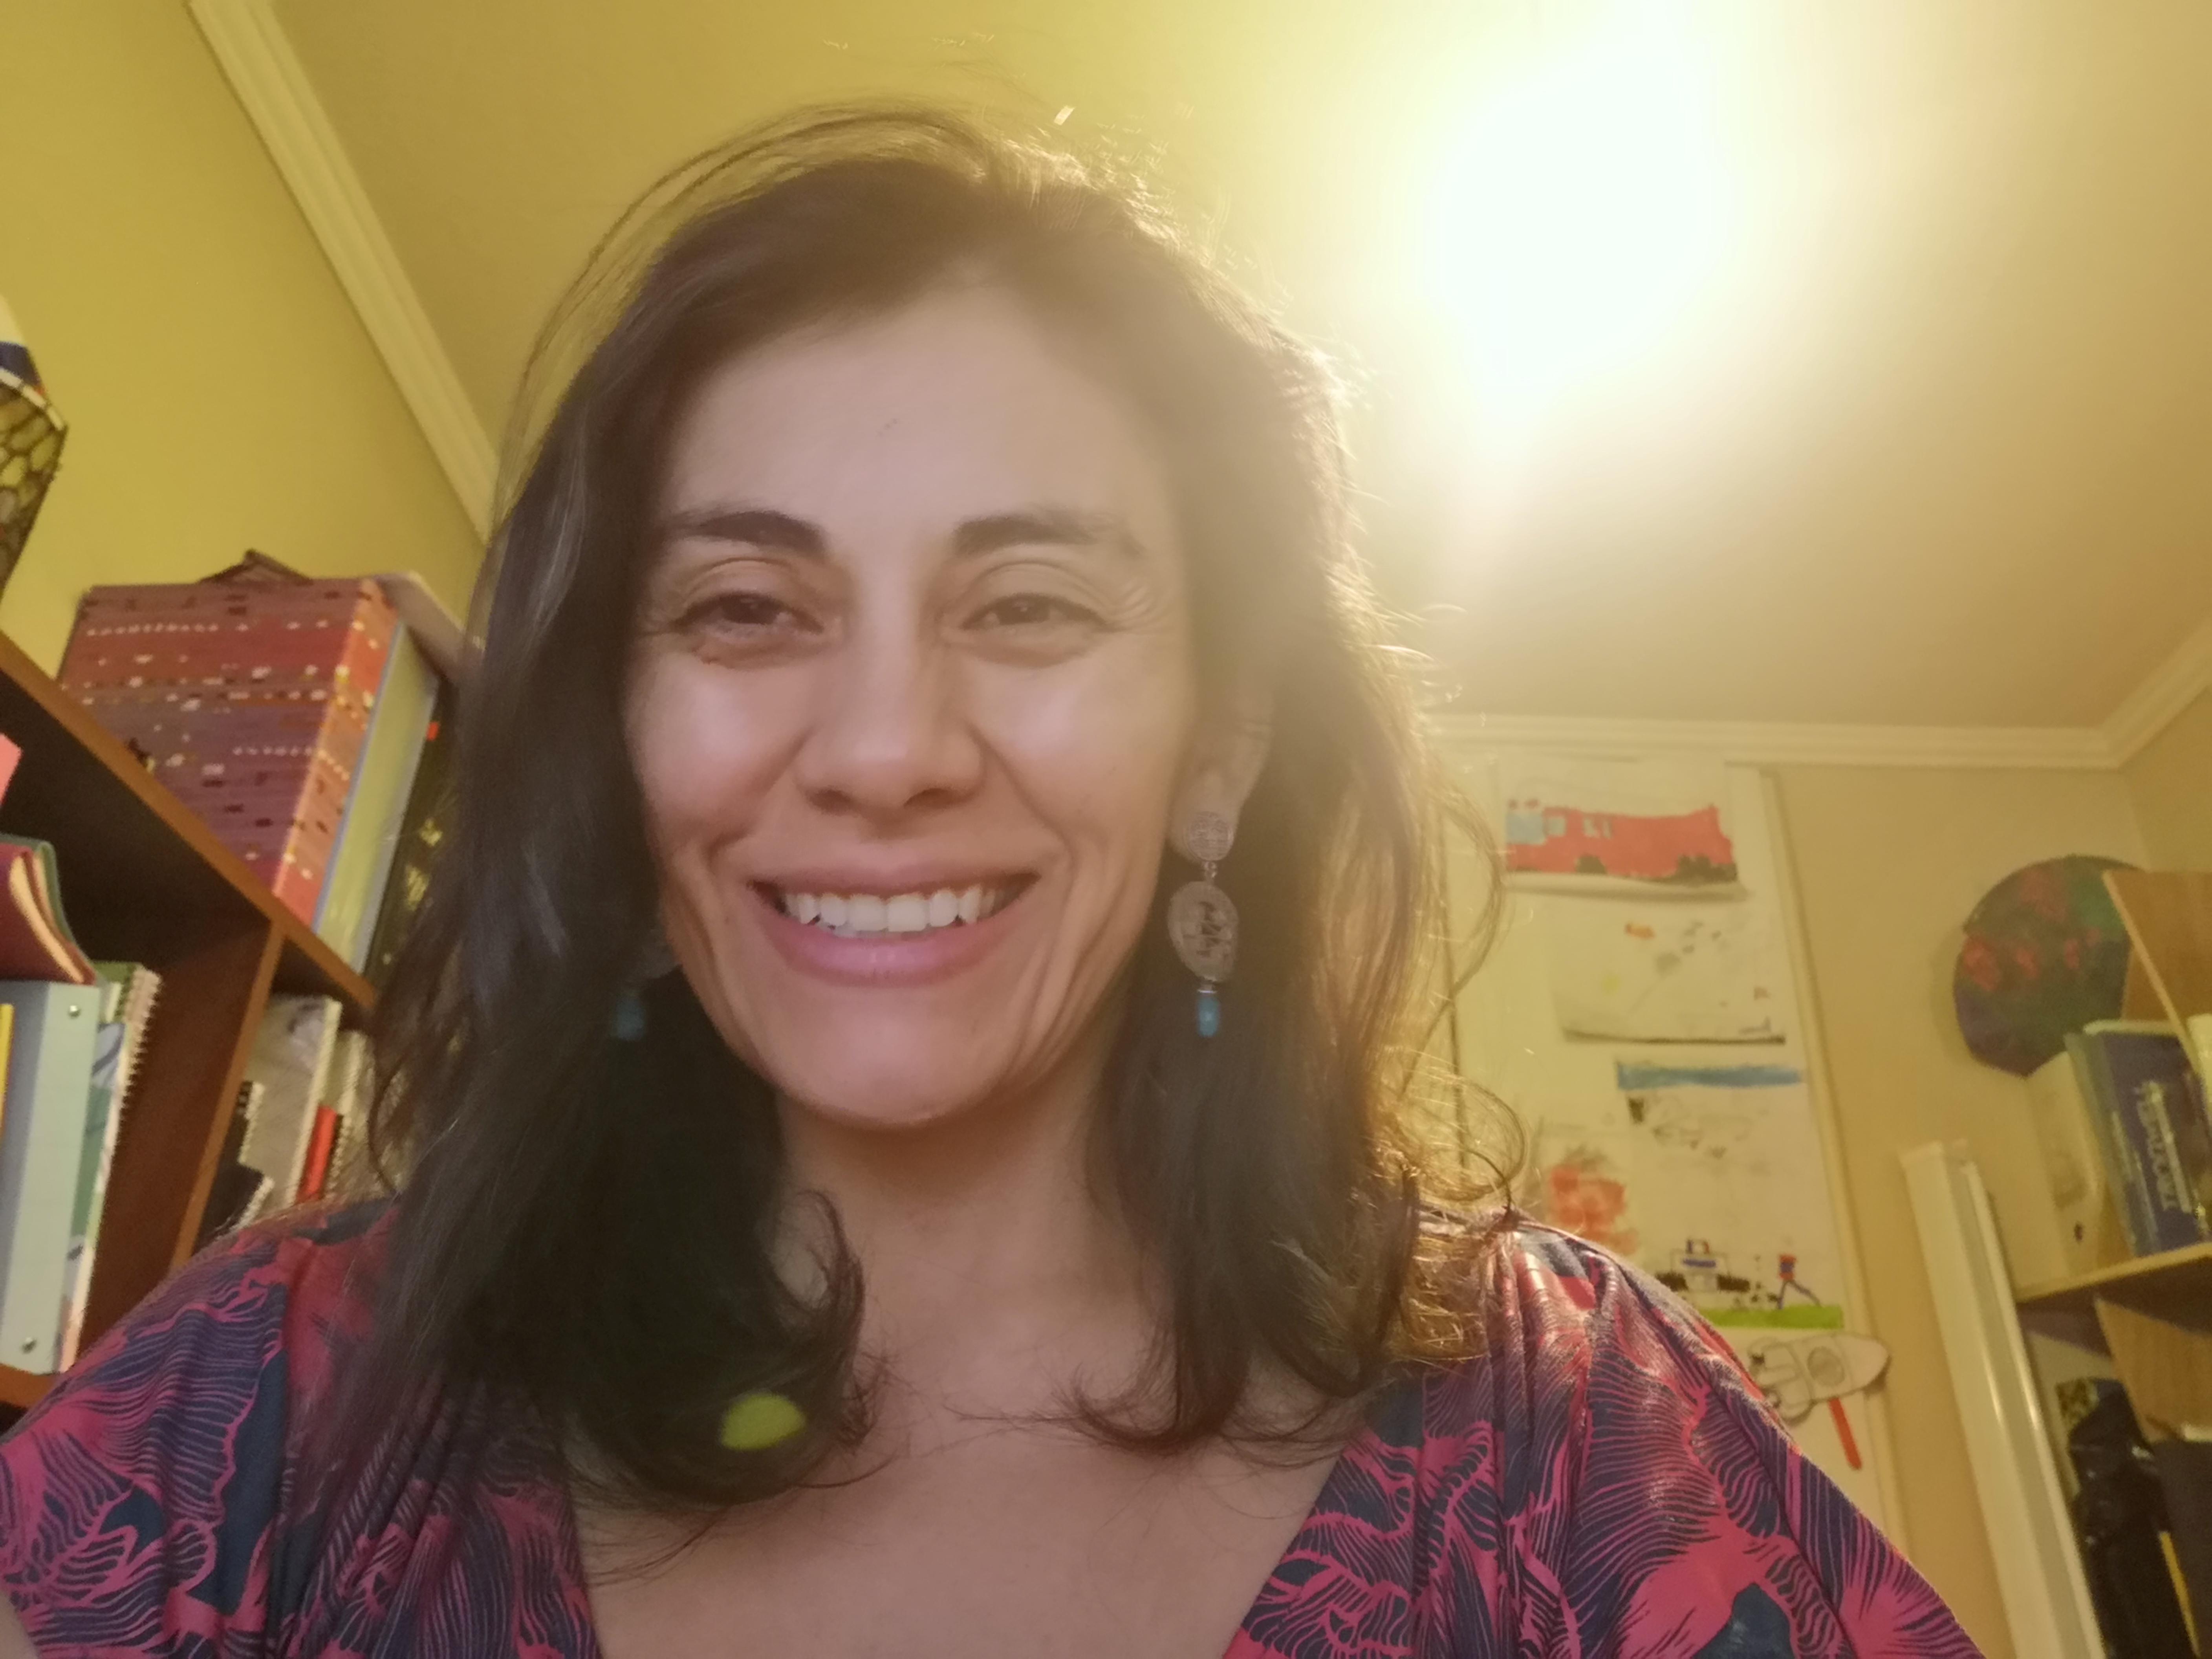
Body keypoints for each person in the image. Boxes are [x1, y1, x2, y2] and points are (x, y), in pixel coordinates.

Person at [0, 107, 1978, 1659]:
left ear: (1221, 744)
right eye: (747, 605)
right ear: (617, 734)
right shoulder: (267, 1404)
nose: (883, 750)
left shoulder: (1579, 1433)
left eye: (1028, 604)